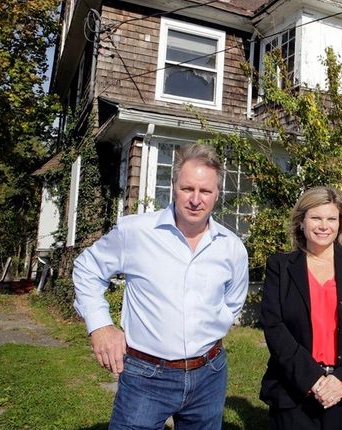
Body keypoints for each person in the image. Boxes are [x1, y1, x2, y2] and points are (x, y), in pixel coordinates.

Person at [72, 144, 249, 429]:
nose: (195, 199)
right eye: (187, 188)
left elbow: (232, 303)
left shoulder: (232, 247)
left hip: (210, 373)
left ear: (217, 194)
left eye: (205, 191)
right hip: (146, 375)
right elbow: (87, 268)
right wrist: (100, 326)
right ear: (173, 186)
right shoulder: (136, 232)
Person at [260, 186, 342, 430]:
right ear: (301, 222)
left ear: (340, 223)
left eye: (331, 218)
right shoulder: (280, 267)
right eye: (315, 218)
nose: (323, 226)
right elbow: (274, 326)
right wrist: (312, 379)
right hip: (294, 389)